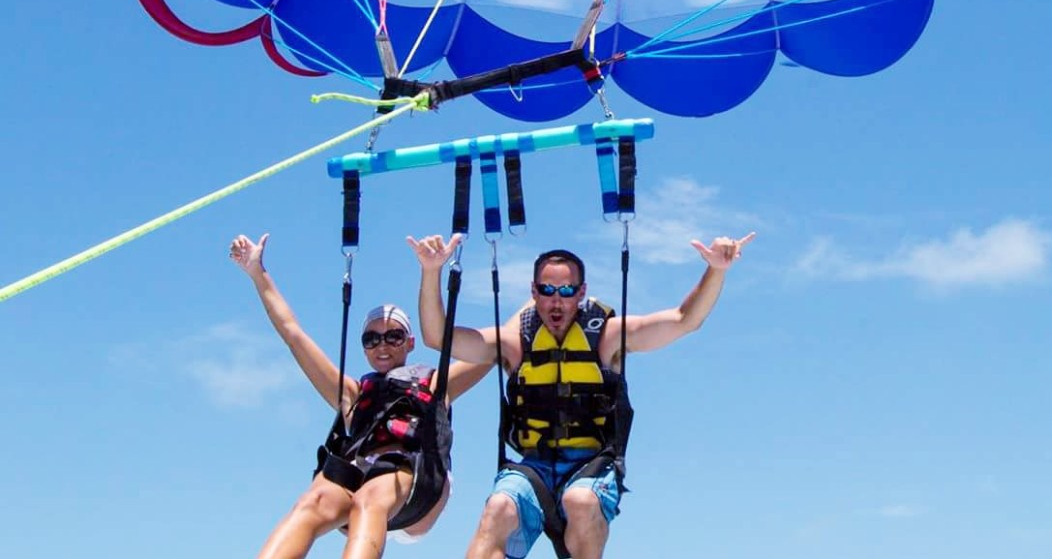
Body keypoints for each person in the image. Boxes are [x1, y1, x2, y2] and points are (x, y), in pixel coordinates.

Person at [409, 231, 756, 559]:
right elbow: (438, 337)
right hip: (533, 468)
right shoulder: (515, 344)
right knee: (498, 507)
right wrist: (431, 271)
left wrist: (715, 270)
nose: (556, 301)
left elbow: (684, 320)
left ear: (581, 292)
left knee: (581, 501)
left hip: (590, 466)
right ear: (533, 292)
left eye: (566, 290)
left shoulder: (607, 337)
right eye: (547, 289)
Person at [229, 232, 490, 559]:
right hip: (361, 478)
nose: (382, 345)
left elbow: (493, 351)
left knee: (371, 498)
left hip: (417, 485)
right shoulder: (352, 393)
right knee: (313, 501)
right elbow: (293, 334)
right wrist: (257, 273)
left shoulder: (437, 382)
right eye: (372, 339)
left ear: (410, 343)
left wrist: (432, 271)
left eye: (393, 336)